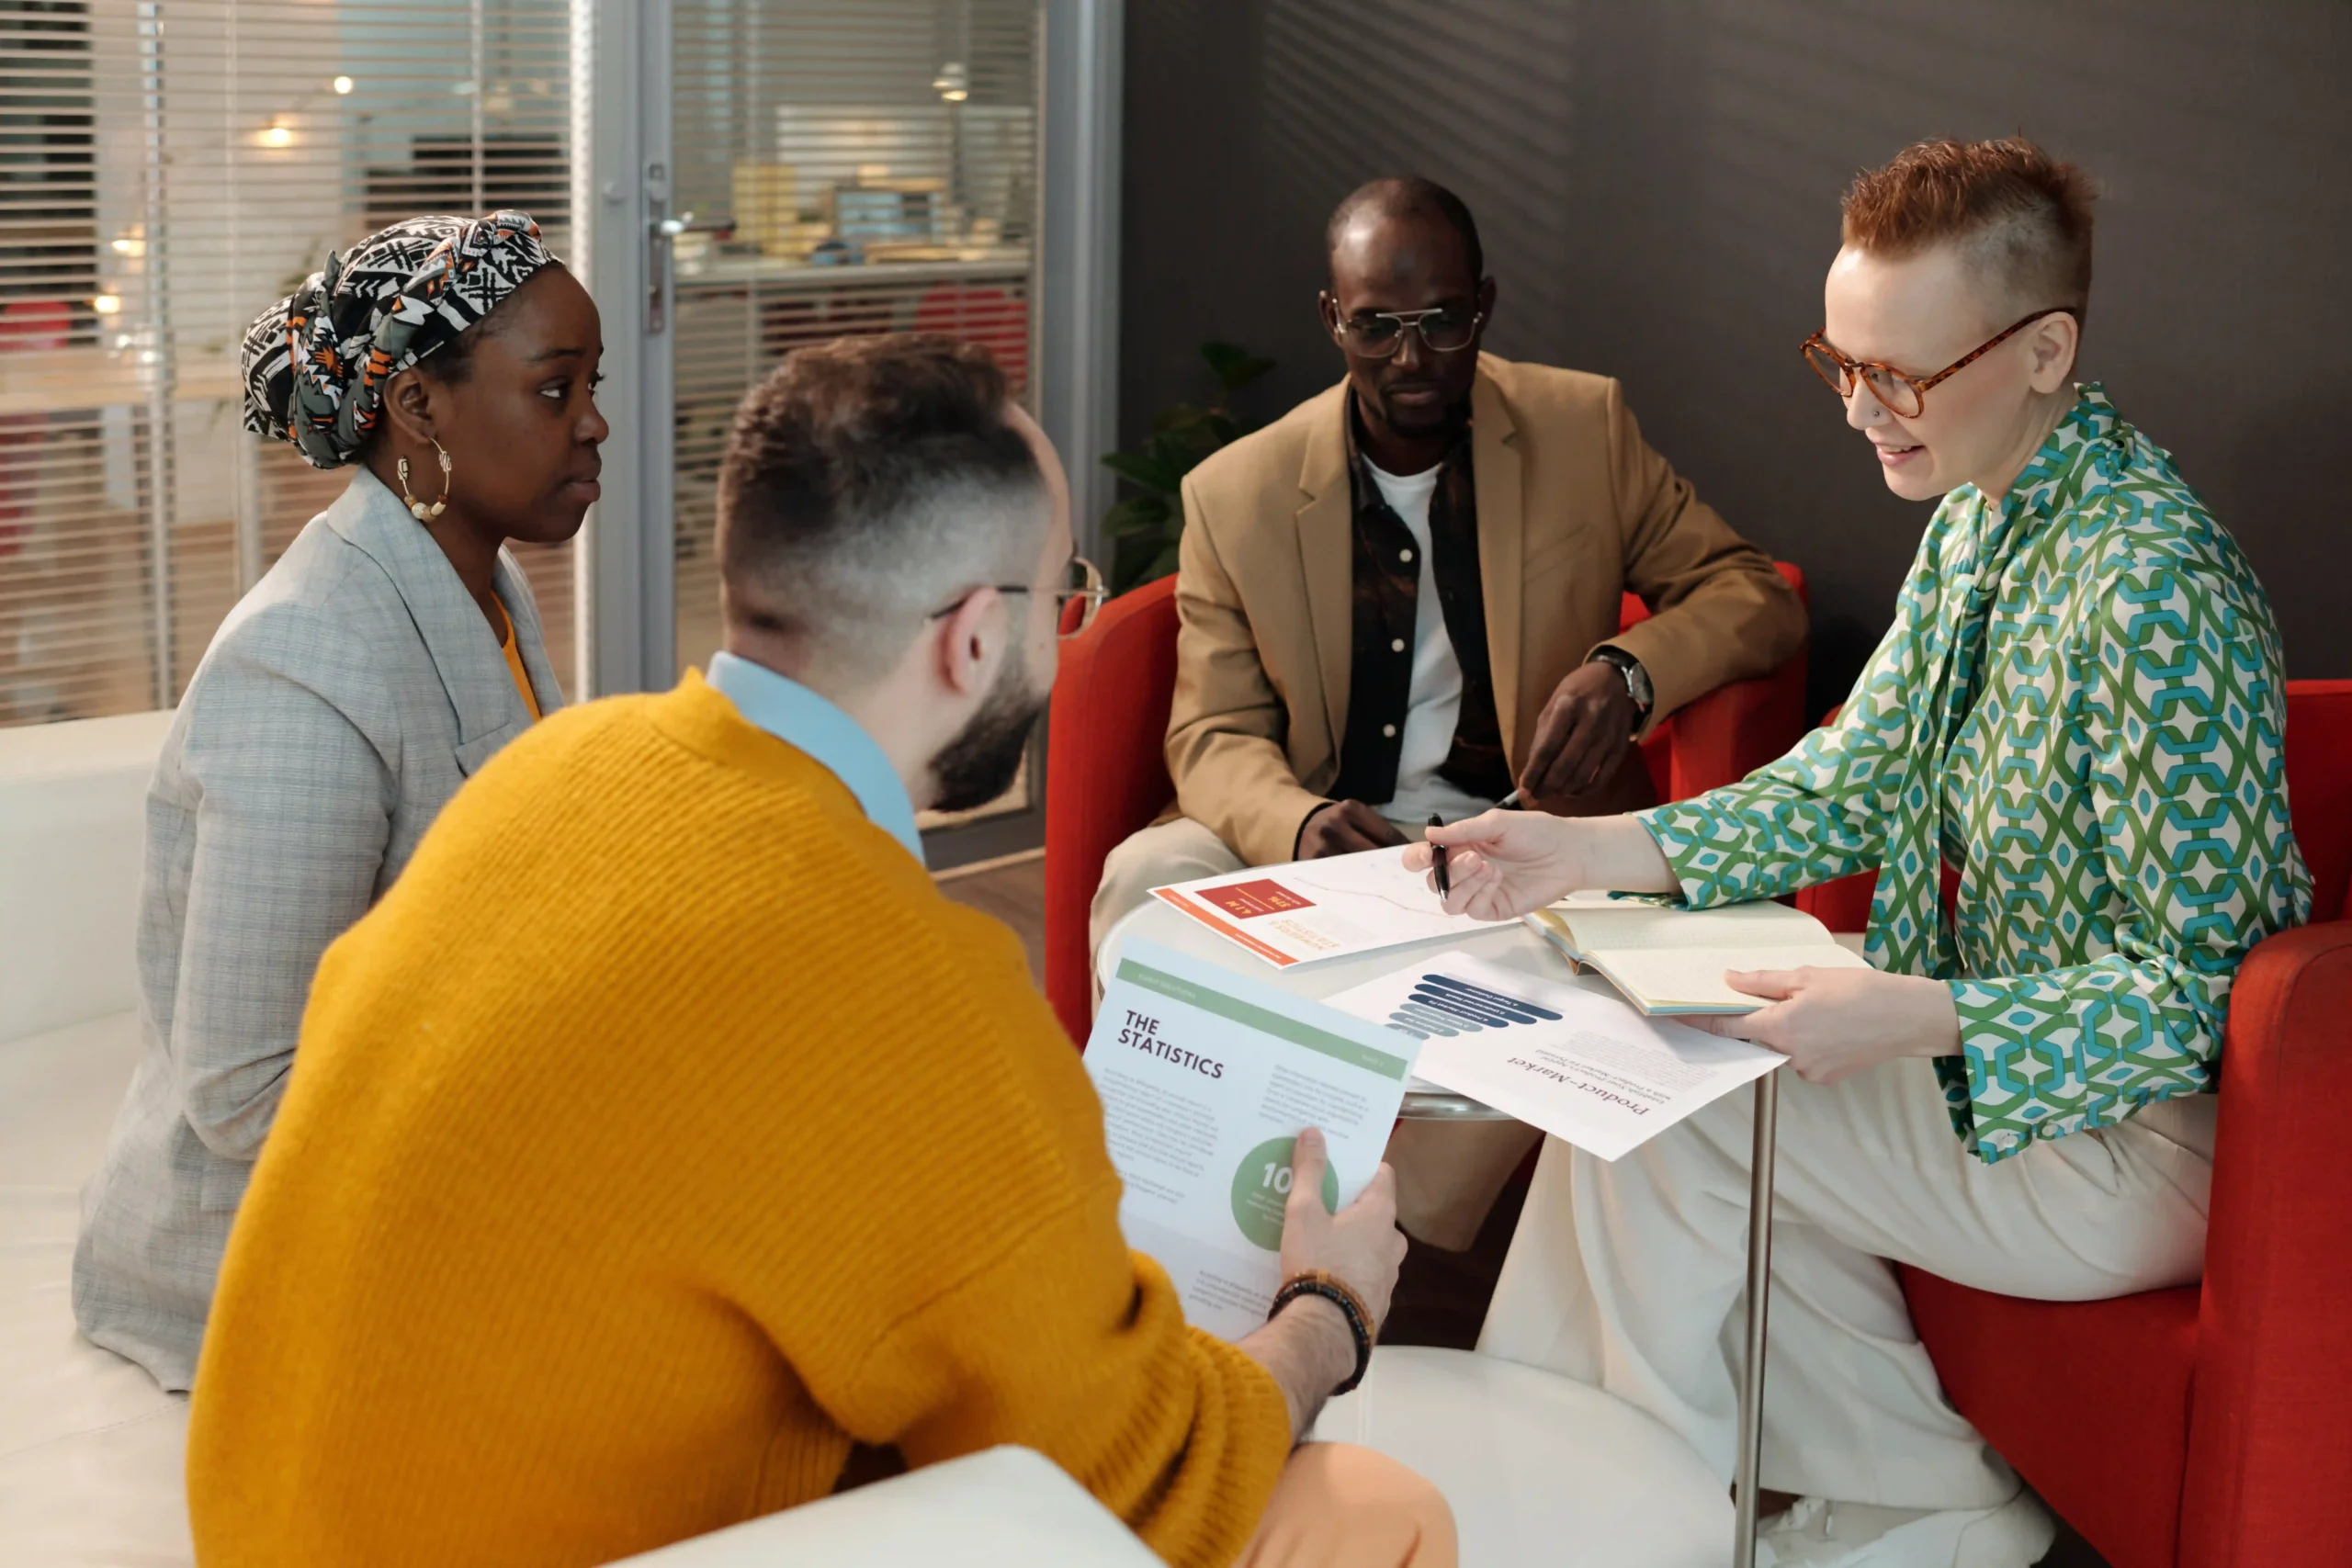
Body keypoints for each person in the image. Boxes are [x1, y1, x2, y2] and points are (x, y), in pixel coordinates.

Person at [184, 335, 1453, 1568]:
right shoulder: (903, 981)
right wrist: (1325, 1310)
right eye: (1059, 595)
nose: (1064, 633)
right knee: (1375, 1504)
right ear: (970, 639)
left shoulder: (553, 771)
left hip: (269, 1526)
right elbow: (1151, 1477)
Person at [1410, 138, 2310, 1566]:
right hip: (1993, 1060)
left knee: (1681, 1110)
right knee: (1647, 1067)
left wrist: (1928, 1012)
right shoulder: (1980, 512)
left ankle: (1601, 1519)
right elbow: (1852, 774)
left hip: (2140, 1143)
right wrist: (1590, 849)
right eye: (1841, 360)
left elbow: (2225, 999)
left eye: (1900, 374)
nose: (1858, 410)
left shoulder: (2149, 592)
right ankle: (1911, 1501)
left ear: (2041, 349)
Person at [1094, 175, 1807, 1248]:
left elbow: (1750, 594)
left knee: (1576, 980)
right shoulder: (1236, 494)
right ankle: (1174, 1203)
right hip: (1324, 834)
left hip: (1520, 837)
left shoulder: (1582, 428)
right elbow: (1211, 734)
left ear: (1485, 305)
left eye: (1441, 323)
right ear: (1332, 318)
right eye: (1377, 327)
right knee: (1148, 878)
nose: (1412, 358)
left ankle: (1382, 1236)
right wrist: (1293, 822)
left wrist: (1627, 673)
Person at [71, 211, 604, 1393]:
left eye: (590, 386)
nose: (594, 423)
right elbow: (248, 1092)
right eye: (555, 390)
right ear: (419, 409)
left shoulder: (484, 582)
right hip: (265, 1263)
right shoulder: (308, 659)